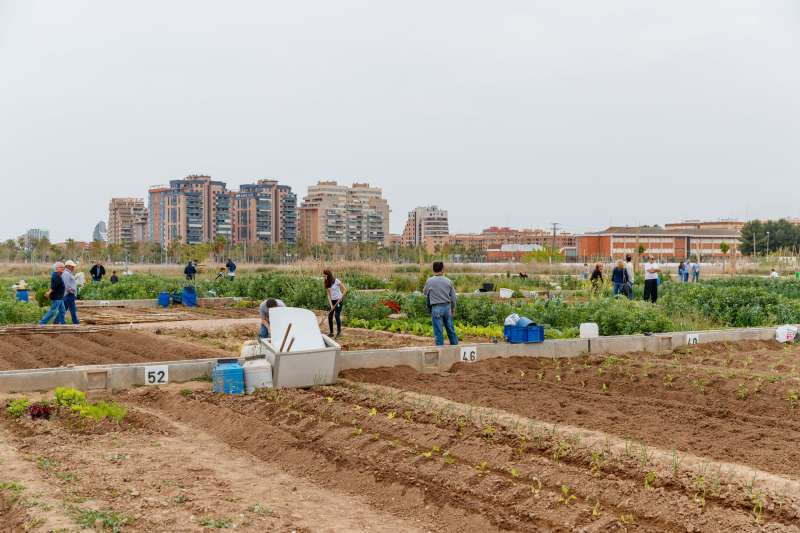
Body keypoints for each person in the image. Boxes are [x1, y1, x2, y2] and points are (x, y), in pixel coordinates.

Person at [423, 261, 458, 346]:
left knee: (438, 331)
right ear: (442, 269)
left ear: (433, 269)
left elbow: (425, 293)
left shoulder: (429, 281)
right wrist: (453, 309)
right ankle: (455, 348)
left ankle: (440, 351)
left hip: (436, 308)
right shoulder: (448, 281)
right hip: (447, 307)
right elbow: (453, 298)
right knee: (450, 329)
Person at [324, 270, 348, 338]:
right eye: (324, 276)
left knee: (337, 315)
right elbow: (328, 295)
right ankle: (331, 333)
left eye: (325, 276)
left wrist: (340, 299)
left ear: (328, 275)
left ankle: (339, 333)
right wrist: (331, 305)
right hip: (332, 301)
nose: (324, 277)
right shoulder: (326, 283)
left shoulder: (336, 281)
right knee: (330, 316)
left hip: (338, 301)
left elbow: (345, 290)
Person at [61, 260, 79, 325]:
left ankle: (57, 321)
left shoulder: (69, 273)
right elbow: (66, 284)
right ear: (68, 266)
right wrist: (71, 291)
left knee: (64, 309)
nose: (73, 268)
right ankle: (76, 322)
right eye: (72, 266)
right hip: (69, 295)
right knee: (72, 309)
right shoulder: (66, 273)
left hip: (69, 294)